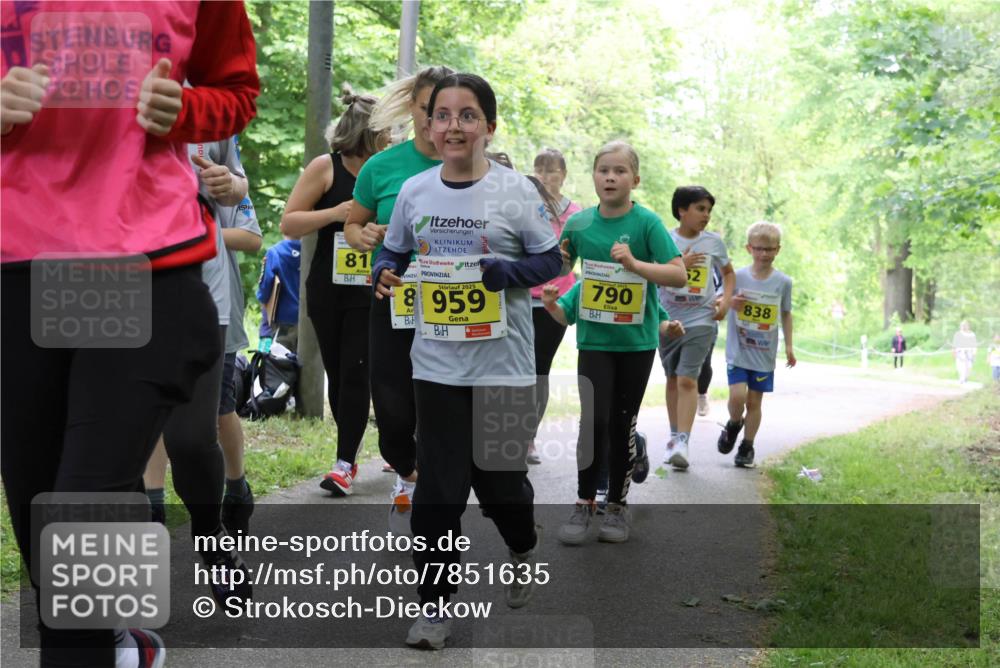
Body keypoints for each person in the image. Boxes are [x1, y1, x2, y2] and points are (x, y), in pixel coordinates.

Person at [1, 1, 259, 665]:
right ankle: (119, 639)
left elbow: (236, 92)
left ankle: (100, 641)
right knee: (40, 514)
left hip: (142, 261)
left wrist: (187, 110)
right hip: (18, 262)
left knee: (80, 506)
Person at [373, 72, 560, 649]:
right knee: (438, 494)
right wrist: (385, 271)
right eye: (443, 115)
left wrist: (508, 272)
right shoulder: (415, 192)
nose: (454, 125)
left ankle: (523, 544)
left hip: (502, 366)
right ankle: (434, 607)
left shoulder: (515, 191)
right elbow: (394, 250)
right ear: (429, 126)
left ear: (489, 126)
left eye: (467, 115)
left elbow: (550, 261)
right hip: (437, 365)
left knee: (501, 488)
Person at [553, 140, 686, 546]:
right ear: (593, 176)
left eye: (620, 171)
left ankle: (616, 506)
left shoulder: (647, 223)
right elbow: (562, 264)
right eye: (603, 170)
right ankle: (583, 503)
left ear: (635, 179)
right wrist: (555, 269)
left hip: (635, 343)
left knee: (620, 423)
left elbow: (678, 274)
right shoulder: (578, 224)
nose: (610, 177)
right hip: (594, 339)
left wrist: (635, 264)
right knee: (593, 421)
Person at [343, 66, 454, 518]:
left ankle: (435, 497)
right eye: (427, 109)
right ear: (411, 108)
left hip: (452, 309)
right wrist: (364, 235)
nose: (434, 120)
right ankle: (408, 470)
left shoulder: (472, 167)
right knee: (392, 413)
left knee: (439, 409)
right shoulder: (382, 167)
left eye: (445, 111)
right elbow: (353, 225)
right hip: (393, 299)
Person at [280, 90, 384, 495]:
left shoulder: (388, 172)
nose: (393, 139)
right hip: (327, 285)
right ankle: (356, 451)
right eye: (387, 132)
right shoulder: (326, 167)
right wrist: (336, 214)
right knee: (339, 375)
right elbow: (290, 223)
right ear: (367, 133)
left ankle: (344, 463)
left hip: (371, 287)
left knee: (358, 369)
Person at [543, 282, 682, 511]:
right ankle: (593, 491)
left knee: (619, 424)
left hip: (635, 350)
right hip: (595, 347)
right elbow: (565, 315)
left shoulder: (639, 281)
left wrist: (670, 328)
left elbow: (658, 316)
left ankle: (622, 484)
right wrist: (551, 305)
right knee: (595, 421)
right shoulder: (589, 281)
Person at [657, 186, 735, 470]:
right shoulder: (664, 238)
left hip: (702, 318)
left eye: (709, 210)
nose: (706, 215)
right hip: (668, 318)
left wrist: (726, 302)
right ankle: (673, 437)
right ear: (682, 210)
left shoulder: (713, 242)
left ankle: (683, 442)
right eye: (700, 209)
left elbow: (729, 274)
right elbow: (651, 274)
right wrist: (680, 264)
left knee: (687, 380)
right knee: (671, 379)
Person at [717, 222, 796, 468]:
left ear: (778, 250)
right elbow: (718, 301)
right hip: (738, 350)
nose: (764, 254)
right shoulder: (737, 277)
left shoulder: (783, 282)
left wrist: (789, 346)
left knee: (754, 402)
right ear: (749, 248)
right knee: (737, 397)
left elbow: (786, 313)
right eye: (759, 248)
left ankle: (747, 446)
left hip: (764, 354)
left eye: (769, 249)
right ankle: (733, 423)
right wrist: (731, 302)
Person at [526, 148, 583, 465]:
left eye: (552, 170)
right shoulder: (524, 206)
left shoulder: (576, 213)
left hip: (555, 299)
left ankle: (529, 437)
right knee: (517, 368)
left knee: (539, 369)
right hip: (521, 297)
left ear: (564, 174)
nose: (545, 176)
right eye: (540, 169)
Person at [256, 234, 302, 352]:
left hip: (282, 321)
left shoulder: (275, 252)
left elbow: (264, 290)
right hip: (310, 321)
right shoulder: (314, 252)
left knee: (281, 359)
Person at [696, 265, 724, 416]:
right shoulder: (676, 255)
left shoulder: (716, 263)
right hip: (679, 316)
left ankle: (702, 394)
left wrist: (719, 301)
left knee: (704, 362)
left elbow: (725, 287)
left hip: (707, 319)